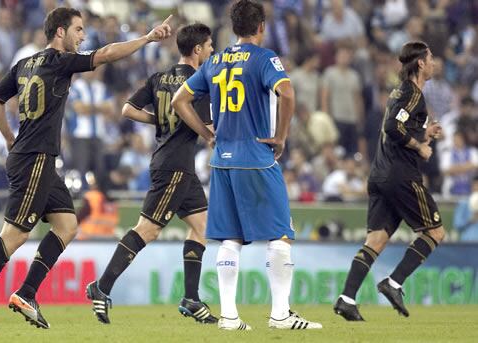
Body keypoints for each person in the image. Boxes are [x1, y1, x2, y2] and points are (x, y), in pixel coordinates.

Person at [0, 7, 173, 330]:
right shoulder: (61, 61)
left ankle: (27, 292)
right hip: (34, 159)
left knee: (67, 225)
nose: (82, 37)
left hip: (36, 157)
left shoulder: (25, 64)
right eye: (78, 30)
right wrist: (149, 38)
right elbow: (108, 54)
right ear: (60, 32)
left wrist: (10, 136)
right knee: (14, 234)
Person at [171, 0, 322, 331]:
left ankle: (229, 316)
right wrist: (280, 137)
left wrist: (205, 132)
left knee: (229, 238)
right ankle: (280, 314)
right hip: (256, 157)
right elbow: (288, 94)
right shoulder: (265, 58)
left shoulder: (215, 60)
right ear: (261, 27)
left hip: (221, 161)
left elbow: (178, 100)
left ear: (233, 27)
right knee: (281, 234)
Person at [85, 23, 217, 325]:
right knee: (148, 229)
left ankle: (191, 299)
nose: (211, 51)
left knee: (201, 226)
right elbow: (208, 129)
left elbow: (128, 110)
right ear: (197, 50)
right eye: (209, 46)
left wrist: (159, 120)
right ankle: (101, 287)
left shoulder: (159, 77)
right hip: (174, 165)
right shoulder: (200, 82)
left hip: (174, 163)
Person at [334, 41, 445, 321]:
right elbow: (392, 126)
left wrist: (425, 133)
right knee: (435, 232)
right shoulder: (413, 94)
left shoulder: (400, 92)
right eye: (431, 57)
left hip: (380, 175)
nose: (434, 62)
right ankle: (393, 283)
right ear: (420, 63)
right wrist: (420, 147)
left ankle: (346, 299)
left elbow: (401, 126)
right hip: (401, 176)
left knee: (376, 240)